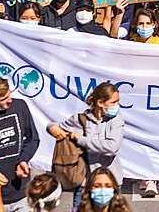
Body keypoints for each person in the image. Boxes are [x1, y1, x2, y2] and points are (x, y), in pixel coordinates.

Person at [47, 82, 123, 211]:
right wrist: (51, 128)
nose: (117, 105)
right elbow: (57, 127)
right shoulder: (80, 119)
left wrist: (81, 139)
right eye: (114, 102)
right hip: (85, 184)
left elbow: (112, 147)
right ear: (100, 103)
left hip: (110, 182)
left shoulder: (116, 120)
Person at [0, 76, 39, 212]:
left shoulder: (20, 106)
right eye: (3, 99)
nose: (10, 100)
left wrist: (23, 160)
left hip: (21, 192)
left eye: (9, 95)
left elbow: (33, 138)